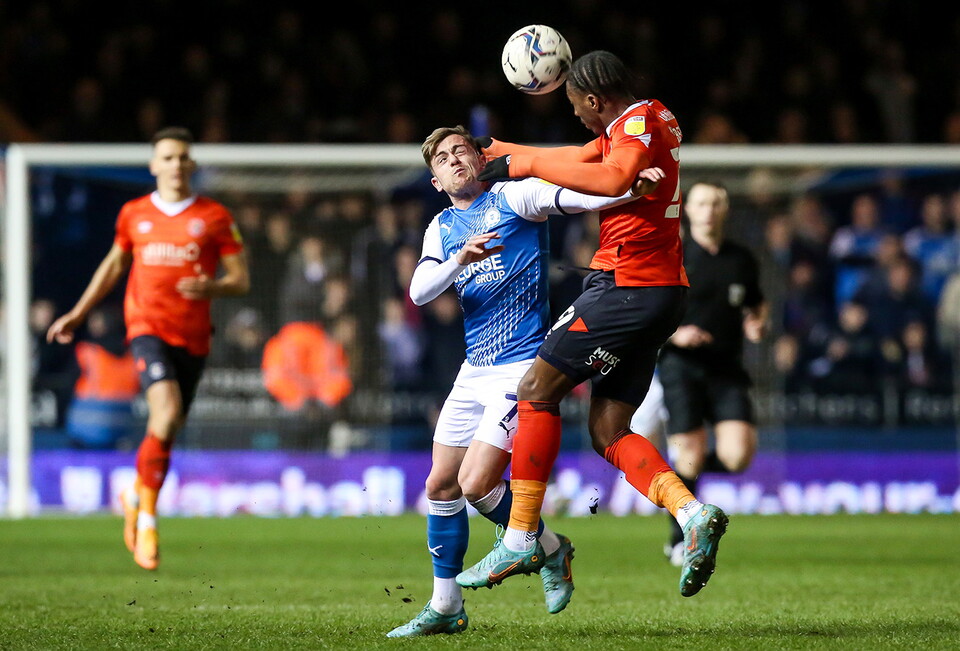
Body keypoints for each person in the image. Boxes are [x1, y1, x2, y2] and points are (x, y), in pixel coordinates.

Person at [457, 50, 728, 599]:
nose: (576, 115)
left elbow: (612, 178)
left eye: (576, 106)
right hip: (658, 294)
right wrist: (506, 150)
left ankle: (520, 536)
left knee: (536, 389)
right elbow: (580, 157)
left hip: (628, 286)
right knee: (608, 429)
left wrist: (522, 167)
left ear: (593, 99)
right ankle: (691, 513)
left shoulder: (636, 123)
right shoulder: (648, 117)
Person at [386, 125, 664, 637]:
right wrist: (460, 259)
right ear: (436, 181)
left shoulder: (515, 197)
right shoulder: (441, 227)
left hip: (519, 368)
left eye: (461, 150)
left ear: (479, 159)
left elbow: (580, 197)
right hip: (473, 370)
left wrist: (631, 189)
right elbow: (420, 291)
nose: (454, 159)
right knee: (440, 484)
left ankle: (541, 548)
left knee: (476, 484)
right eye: (443, 158)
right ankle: (451, 602)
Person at [47, 126, 249, 570]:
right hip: (146, 329)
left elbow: (241, 280)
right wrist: (79, 313)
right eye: (168, 157)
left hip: (193, 337)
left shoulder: (214, 216)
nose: (176, 164)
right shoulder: (134, 214)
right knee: (166, 412)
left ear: (191, 164)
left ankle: (136, 495)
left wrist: (213, 287)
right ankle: (148, 522)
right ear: (154, 165)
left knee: (167, 427)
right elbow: (114, 264)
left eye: (182, 157)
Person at [654, 182, 768, 566]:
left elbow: (756, 303)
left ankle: (681, 474)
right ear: (687, 209)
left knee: (738, 456)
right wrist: (676, 334)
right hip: (680, 366)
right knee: (690, 453)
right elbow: (649, 312)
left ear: (726, 209)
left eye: (717, 202)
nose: (709, 210)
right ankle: (678, 540)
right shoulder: (672, 256)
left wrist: (756, 323)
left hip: (726, 368)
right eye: (702, 203)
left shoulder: (741, 258)